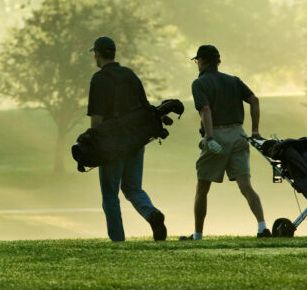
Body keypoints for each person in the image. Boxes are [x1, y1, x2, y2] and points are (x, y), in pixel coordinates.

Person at [180, 45, 271, 240]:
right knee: (245, 185)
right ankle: (263, 227)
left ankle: (197, 235)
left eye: (197, 61)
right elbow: (254, 100)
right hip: (239, 135)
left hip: (217, 136)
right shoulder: (233, 81)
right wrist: (255, 130)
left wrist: (210, 137)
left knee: (202, 188)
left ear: (202, 61)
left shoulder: (200, 83)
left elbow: (205, 110)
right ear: (218, 62)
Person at [86, 36, 167, 242]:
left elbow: (97, 116)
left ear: (97, 54)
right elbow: (144, 107)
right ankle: (152, 214)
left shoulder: (99, 79)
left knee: (110, 195)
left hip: (112, 144)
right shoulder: (130, 75)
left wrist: (94, 144)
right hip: (135, 140)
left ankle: (118, 240)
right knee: (132, 188)